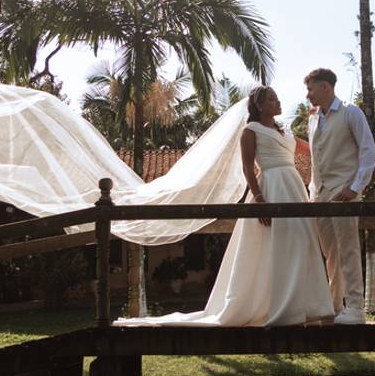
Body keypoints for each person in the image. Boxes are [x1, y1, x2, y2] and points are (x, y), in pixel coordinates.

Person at [114, 86, 334, 327]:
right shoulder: (251, 131)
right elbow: (248, 168)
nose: (277, 101)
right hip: (272, 187)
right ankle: (281, 308)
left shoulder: (284, 132)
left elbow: (312, 148)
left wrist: (315, 121)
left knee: (301, 241)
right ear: (259, 105)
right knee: (279, 245)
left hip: (293, 187)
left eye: (277, 97)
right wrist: (260, 199)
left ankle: (306, 306)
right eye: (272, 99)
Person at [305, 68, 375, 325]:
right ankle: (333, 305)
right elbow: (317, 157)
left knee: (348, 250)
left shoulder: (351, 112)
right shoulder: (313, 119)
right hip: (320, 194)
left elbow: (368, 151)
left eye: (311, 89)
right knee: (329, 253)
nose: (308, 94)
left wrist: (356, 187)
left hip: (344, 191)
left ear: (325, 87)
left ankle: (356, 308)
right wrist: (313, 190)